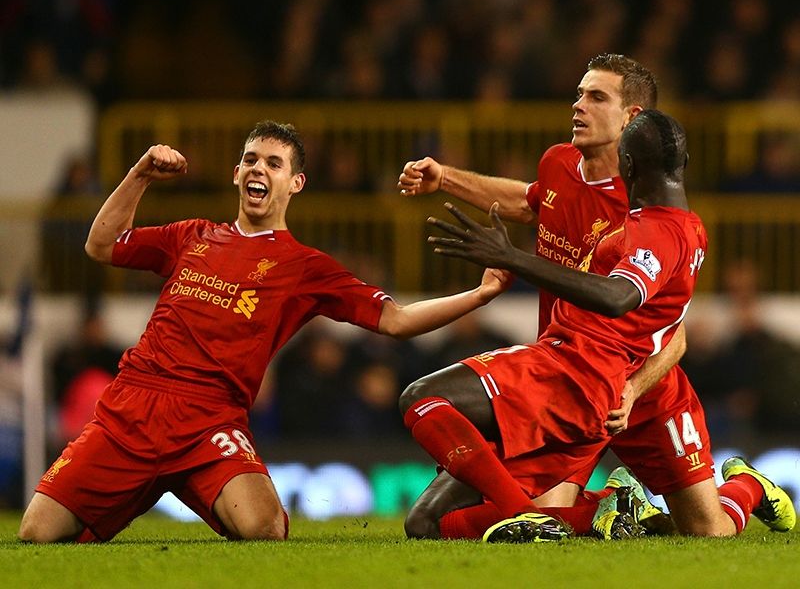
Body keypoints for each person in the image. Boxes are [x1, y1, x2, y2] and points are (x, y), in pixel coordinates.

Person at [18, 120, 513, 544]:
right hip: (134, 406)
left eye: (274, 163)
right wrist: (141, 174)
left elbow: (397, 320)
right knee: (36, 534)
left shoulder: (303, 266)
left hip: (210, 420)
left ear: (295, 183)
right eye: (251, 160)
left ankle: (164, 485)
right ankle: (137, 487)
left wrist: (480, 295)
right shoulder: (191, 235)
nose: (259, 169)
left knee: (264, 529)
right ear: (237, 174)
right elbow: (101, 245)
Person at [396, 55, 795, 539]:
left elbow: (674, 331)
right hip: (571, 376)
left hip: (642, 383)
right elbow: (529, 202)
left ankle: (746, 486)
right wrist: (447, 180)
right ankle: (614, 507)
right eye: (580, 93)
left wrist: (634, 388)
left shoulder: (644, 213)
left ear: (631, 120)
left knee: (708, 530)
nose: (578, 105)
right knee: (526, 512)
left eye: (596, 97)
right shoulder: (560, 163)